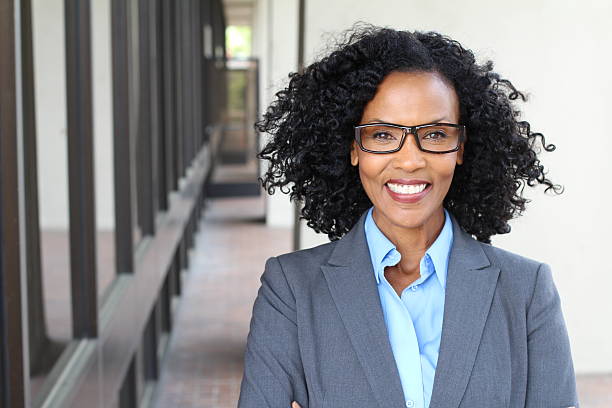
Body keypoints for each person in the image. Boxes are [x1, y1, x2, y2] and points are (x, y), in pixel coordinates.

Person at [238, 25, 578, 408]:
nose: (410, 160)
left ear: (460, 148)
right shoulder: (291, 289)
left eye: (434, 134)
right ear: (353, 148)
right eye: (382, 135)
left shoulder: (526, 290)